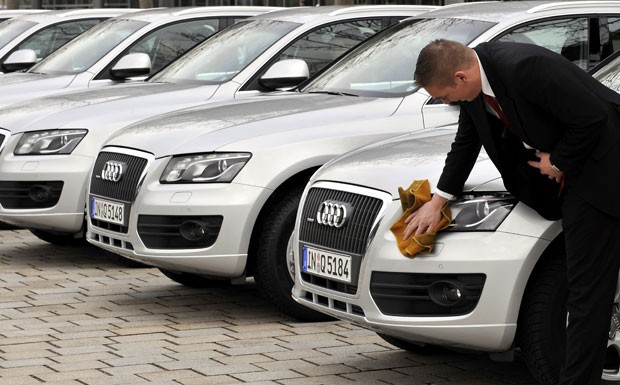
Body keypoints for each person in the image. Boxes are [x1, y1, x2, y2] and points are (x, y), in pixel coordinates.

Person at [406, 39, 620, 385]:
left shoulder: (525, 67)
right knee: (585, 294)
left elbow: (594, 117)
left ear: (461, 77)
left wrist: (560, 162)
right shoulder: (477, 87)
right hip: (572, 182)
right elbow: (466, 142)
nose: (445, 103)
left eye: (444, 96)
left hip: (601, 176)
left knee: (586, 296)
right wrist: (438, 199)